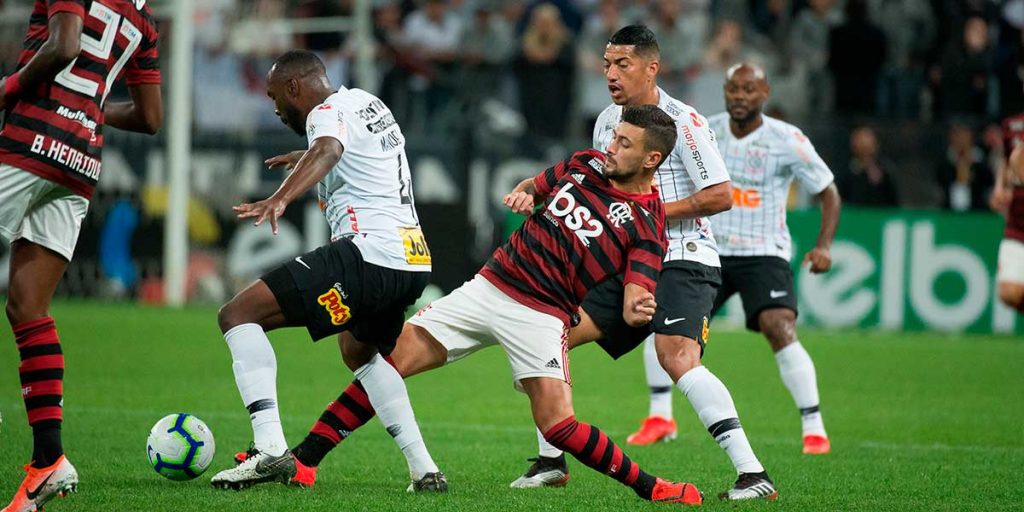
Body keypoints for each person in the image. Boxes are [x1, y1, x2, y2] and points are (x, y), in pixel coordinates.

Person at [269, 24, 774, 502]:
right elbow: (551, 180)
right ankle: (306, 460)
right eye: (606, 64)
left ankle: (729, 475)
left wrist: (638, 284)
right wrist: (526, 189)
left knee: (665, 363)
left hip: (631, 277)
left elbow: (692, 220)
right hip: (491, 286)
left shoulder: (662, 182)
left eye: (622, 64)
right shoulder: (592, 152)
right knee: (392, 360)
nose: (610, 76)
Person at [207, 50, 442, 492]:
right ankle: (424, 469)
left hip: (368, 253)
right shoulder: (366, 102)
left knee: (237, 315)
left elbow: (329, 148)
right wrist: (306, 154)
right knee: (361, 353)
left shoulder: (324, 113)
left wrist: (280, 197)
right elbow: (351, 150)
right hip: (412, 261)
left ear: (295, 87)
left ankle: (269, 449)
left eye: (276, 98)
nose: (276, 110)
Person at [0, 1, 162, 510]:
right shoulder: (144, 20)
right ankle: (48, 462)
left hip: (25, 144)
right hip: (77, 162)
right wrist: (90, 110)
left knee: (29, 307)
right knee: (28, 307)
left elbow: (65, 44)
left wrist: (6, 89)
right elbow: (151, 116)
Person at [639, 63, 841, 456]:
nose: (739, 96)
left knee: (777, 325)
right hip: (708, 248)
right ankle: (660, 416)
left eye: (749, 89)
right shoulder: (702, 127)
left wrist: (824, 244)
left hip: (762, 251)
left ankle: (813, 427)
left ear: (765, 94)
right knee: (662, 320)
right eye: (733, 89)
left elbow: (828, 191)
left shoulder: (788, 139)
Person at [993, 113, 1024, 313]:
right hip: (1018, 220)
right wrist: (1000, 187)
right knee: (1008, 292)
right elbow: (1007, 160)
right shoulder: (1011, 125)